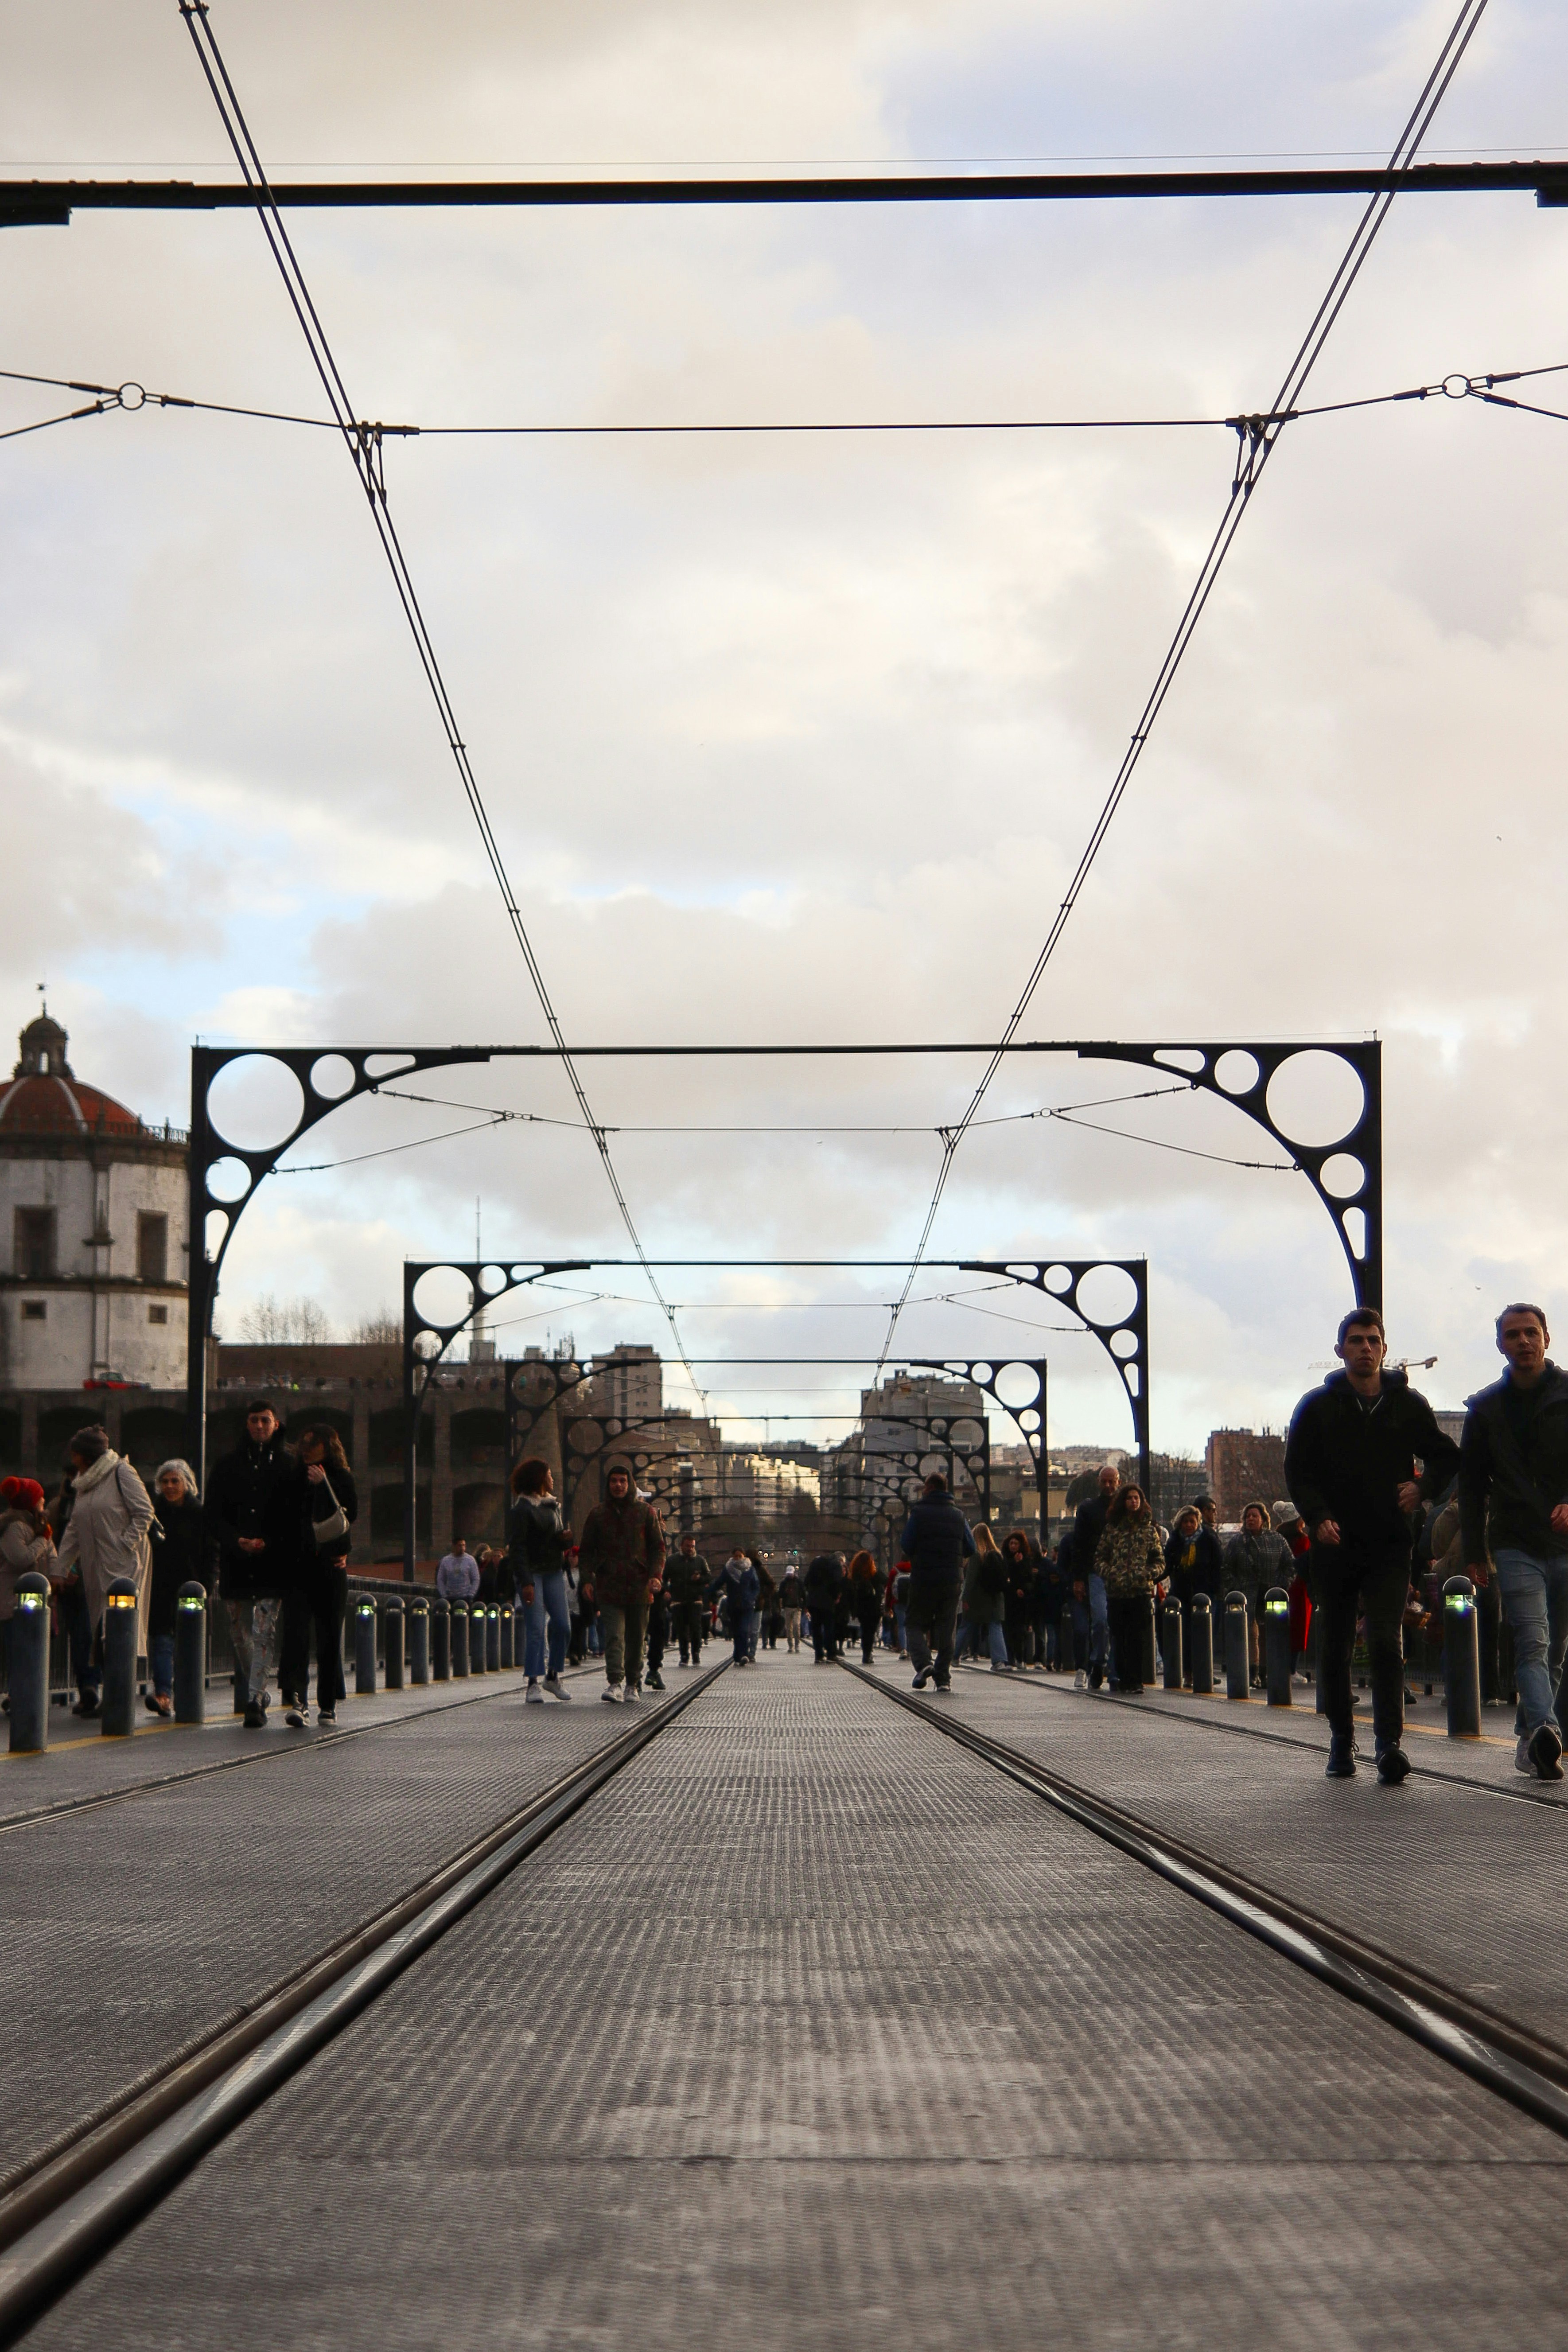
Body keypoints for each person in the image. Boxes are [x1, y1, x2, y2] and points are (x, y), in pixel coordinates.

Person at [1285, 1307, 1459, 1783]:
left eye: (1373, 1340)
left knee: (1384, 1640)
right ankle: (1341, 1739)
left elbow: (1445, 1457)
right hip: (1334, 1545)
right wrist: (1317, 1517)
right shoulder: (1316, 1407)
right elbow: (1297, 1471)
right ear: (1339, 1349)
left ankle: (1389, 1745)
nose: (1365, 1348)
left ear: (1383, 1349)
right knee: (1336, 1646)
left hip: (1387, 1543)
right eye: (1356, 1340)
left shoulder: (1407, 1404)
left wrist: (1421, 1489)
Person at [1459, 1302, 1568, 1781]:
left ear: (1547, 1338)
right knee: (1533, 1642)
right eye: (1512, 1334)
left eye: (1530, 1333)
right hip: (1515, 1540)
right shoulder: (1484, 1408)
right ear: (1500, 1344)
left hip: (1564, 1540)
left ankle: (1529, 1743)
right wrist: (1473, 1553)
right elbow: (1470, 1484)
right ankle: (1546, 1728)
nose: (1522, 1341)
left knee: (1556, 1649)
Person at [205, 1400, 311, 1728]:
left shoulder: (290, 1465)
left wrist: (271, 1541)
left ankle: (255, 1698)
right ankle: (260, 1688)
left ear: (276, 1424)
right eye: (254, 1420)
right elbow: (212, 1515)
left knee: (264, 1630)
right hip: (236, 1561)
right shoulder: (226, 1466)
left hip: (273, 1562)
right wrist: (235, 1540)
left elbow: (297, 1515)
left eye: (265, 1420)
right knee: (239, 1632)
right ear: (247, 1424)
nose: (260, 1426)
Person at [54, 1425, 156, 1707]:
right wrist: (58, 1569)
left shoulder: (121, 1471)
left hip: (125, 1567)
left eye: (75, 1454)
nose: (72, 1459)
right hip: (96, 1569)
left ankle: (117, 1700)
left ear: (86, 1455)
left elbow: (144, 1512)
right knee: (101, 1634)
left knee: (117, 1632)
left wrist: (124, 1545)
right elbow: (74, 1528)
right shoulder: (84, 1483)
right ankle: (113, 1698)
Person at [281, 1425, 357, 1728]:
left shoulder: (341, 1478)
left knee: (329, 1637)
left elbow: (348, 1516)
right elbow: (287, 1515)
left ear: (327, 1447)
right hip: (299, 1567)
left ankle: (328, 1703)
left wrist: (324, 1487)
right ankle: (298, 1700)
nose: (305, 1450)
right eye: (304, 1444)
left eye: (312, 1445)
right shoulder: (295, 1477)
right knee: (297, 1635)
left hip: (330, 1567)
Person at [578, 1461, 665, 1702]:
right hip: (609, 1585)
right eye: (614, 1481)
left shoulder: (645, 1513)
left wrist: (656, 1576)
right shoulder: (598, 1515)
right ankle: (615, 1681)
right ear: (608, 1485)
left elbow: (658, 1549)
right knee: (614, 1636)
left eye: (623, 1481)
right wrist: (587, 1579)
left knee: (637, 1638)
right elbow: (586, 1552)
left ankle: (633, 1684)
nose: (618, 1485)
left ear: (630, 1484)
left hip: (639, 1586)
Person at [146, 1460, 211, 1718]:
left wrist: (206, 1585)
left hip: (192, 1587)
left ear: (187, 1483)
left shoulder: (200, 1513)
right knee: (161, 1641)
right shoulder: (152, 1512)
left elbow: (210, 1553)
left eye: (175, 1481)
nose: (170, 1486)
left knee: (187, 1642)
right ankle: (163, 1695)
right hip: (160, 1586)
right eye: (165, 1482)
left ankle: (187, 1695)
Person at [901, 1472, 976, 1693]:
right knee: (947, 1627)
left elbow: (907, 1544)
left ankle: (924, 1664)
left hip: (923, 1578)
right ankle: (943, 1678)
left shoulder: (918, 1513)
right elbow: (970, 1547)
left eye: (925, 1487)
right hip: (952, 1581)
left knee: (914, 1624)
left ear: (931, 1488)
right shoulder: (959, 1515)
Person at [508, 1458, 574, 1704]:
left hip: (553, 1571)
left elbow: (552, 1540)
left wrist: (565, 1540)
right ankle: (533, 1682)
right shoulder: (522, 1510)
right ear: (539, 1478)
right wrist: (526, 1582)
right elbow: (519, 1549)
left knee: (563, 1626)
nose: (553, 1478)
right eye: (549, 1474)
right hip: (533, 1574)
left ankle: (553, 1676)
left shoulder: (552, 1506)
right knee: (536, 1628)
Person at [1093, 1483, 1166, 1693]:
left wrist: (1147, 1575)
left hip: (1140, 1592)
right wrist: (1111, 1573)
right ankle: (1121, 1677)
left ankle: (1135, 1681)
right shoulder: (1112, 1530)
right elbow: (1100, 1558)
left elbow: (1159, 1561)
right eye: (1130, 1498)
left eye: (1137, 1498)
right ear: (1122, 1502)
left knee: (1137, 1637)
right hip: (1117, 1593)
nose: (1134, 1502)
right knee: (1119, 1635)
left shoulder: (1149, 1530)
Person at [1223, 1502, 1293, 1689]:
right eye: (1248, 1517)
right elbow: (1226, 1568)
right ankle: (1253, 1673)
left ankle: (1267, 1672)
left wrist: (1281, 1585)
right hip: (1248, 1594)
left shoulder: (1277, 1539)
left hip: (1272, 1594)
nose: (1251, 1519)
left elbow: (1290, 1565)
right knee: (1252, 1634)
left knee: (1270, 1634)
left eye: (1255, 1516)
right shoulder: (1237, 1542)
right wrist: (1235, 1588)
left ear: (1264, 1519)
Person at [0, 1477, 55, 1709]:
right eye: (41, 1501)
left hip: (36, 1601)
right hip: (12, 1601)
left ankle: (26, 1693)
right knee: (19, 1650)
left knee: (31, 1649)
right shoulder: (14, 1526)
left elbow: (53, 1557)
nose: (44, 1506)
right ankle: (17, 1694)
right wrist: (43, 1541)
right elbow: (20, 1558)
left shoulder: (39, 1526)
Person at [1074, 1464, 1120, 1691]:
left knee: (1117, 1623)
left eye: (1112, 1482)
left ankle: (1113, 1670)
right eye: (1105, 1482)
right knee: (1101, 1621)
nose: (1109, 1486)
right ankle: (1099, 1662)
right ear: (1099, 1483)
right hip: (1096, 1573)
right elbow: (1079, 1546)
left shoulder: (1127, 1508)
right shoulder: (1088, 1509)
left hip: (1121, 1574)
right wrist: (1079, 1579)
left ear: (1118, 1482)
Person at [963, 1525, 1008, 1669]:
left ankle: (956, 1654)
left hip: (981, 1599)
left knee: (968, 1624)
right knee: (996, 1627)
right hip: (997, 1597)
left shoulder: (977, 1556)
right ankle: (1000, 1660)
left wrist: (965, 1598)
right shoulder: (998, 1554)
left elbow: (970, 1581)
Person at [665, 1534, 710, 1666]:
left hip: (695, 1600)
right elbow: (664, 1577)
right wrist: (665, 1591)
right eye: (688, 1546)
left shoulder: (700, 1561)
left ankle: (696, 1653)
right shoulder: (672, 1560)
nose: (690, 1549)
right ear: (682, 1546)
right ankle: (684, 1655)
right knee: (681, 1629)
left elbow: (708, 1576)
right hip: (678, 1600)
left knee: (696, 1628)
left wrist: (700, 1579)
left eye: (692, 1546)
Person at [711, 1547, 760, 1665]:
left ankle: (743, 1654)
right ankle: (737, 1655)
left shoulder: (750, 1569)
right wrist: (708, 1592)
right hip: (733, 1605)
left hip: (747, 1606)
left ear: (744, 1556)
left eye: (740, 1556)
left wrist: (752, 1598)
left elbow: (756, 1587)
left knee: (744, 1630)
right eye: (736, 1556)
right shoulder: (728, 1569)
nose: (738, 1559)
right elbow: (719, 1583)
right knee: (737, 1631)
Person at [804, 1550, 844, 1662]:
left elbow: (806, 1582)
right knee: (829, 1628)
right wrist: (836, 1597)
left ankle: (819, 1655)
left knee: (816, 1629)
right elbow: (837, 1583)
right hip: (827, 1601)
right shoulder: (836, 1566)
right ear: (840, 1560)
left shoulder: (816, 1564)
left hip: (813, 1601)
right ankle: (831, 1654)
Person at [847, 1549, 882, 1665]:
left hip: (861, 1608)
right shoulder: (874, 1575)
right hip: (874, 1608)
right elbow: (886, 1582)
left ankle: (866, 1653)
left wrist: (853, 1610)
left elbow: (851, 1594)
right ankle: (868, 1653)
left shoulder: (855, 1576)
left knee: (865, 1629)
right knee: (871, 1632)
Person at [436, 1537, 480, 1605]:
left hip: (466, 1597)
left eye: (464, 1545)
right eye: (460, 1546)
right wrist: (444, 1595)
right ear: (454, 1547)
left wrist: (471, 1594)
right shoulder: (446, 1561)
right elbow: (441, 1579)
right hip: (450, 1597)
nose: (462, 1548)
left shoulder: (470, 1560)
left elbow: (476, 1578)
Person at [778, 1561, 805, 1653]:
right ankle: (791, 1645)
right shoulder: (784, 1583)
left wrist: (804, 1606)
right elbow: (780, 1595)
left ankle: (797, 1644)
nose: (790, 1575)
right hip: (787, 1607)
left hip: (797, 1607)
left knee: (796, 1625)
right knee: (788, 1628)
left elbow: (803, 1594)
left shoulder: (799, 1582)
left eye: (791, 1574)